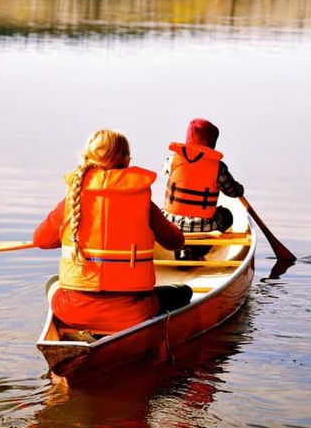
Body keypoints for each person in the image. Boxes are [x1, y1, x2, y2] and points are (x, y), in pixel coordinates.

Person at [33, 129, 192, 337]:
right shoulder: (141, 200)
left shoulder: (72, 200)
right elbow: (176, 242)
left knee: (53, 282)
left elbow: (40, 240)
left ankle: (74, 334)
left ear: (87, 157)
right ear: (126, 160)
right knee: (184, 292)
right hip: (133, 313)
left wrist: (68, 235)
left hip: (73, 312)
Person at [161, 118, 244, 257]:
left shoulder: (172, 159)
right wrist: (240, 189)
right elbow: (232, 192)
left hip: (170, 222)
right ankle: (198, 250)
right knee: (227, 215)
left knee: (161, 212)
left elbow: (166, 172)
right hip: (203, 224)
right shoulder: (218, 167)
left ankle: (182, 248)